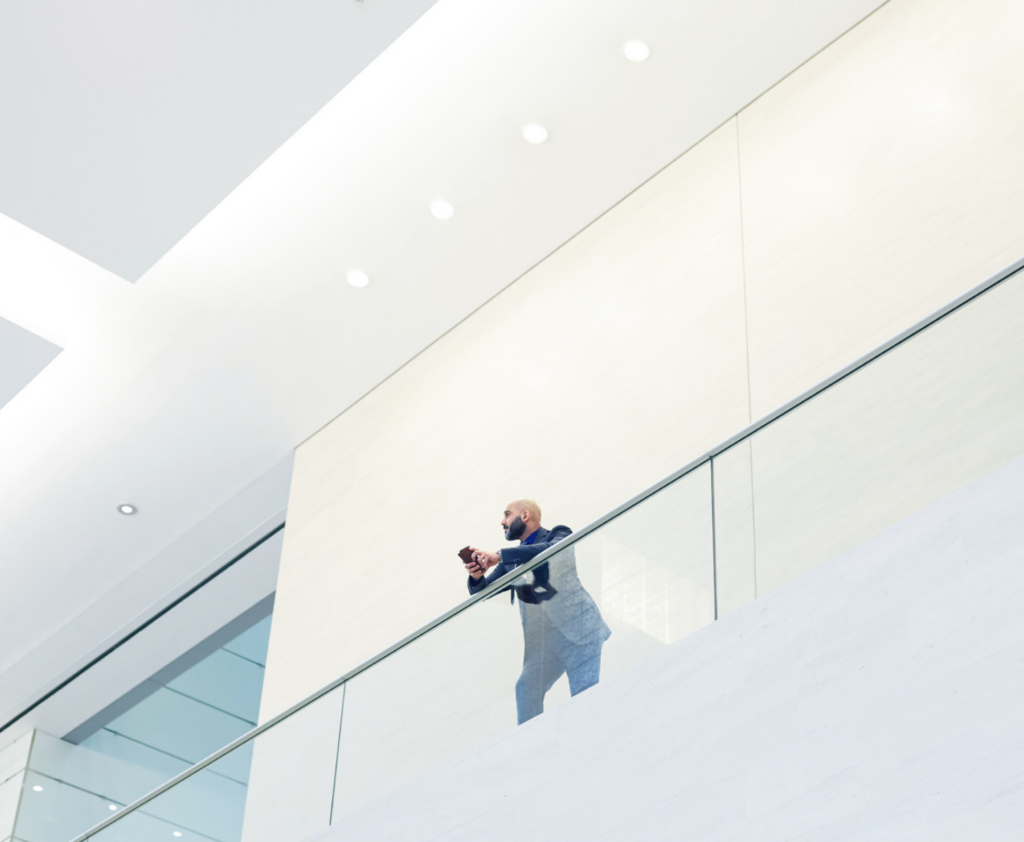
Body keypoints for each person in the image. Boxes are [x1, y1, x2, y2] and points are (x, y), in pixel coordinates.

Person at [464, 499, 611, 724]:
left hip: (580, 633)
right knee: (526, 687)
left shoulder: (557, 534)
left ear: (524, 516)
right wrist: (476, 576)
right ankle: (529, 744)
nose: (502, 522)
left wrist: (500, 555)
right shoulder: (510, 562)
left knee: (584, 700)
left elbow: (550, 551)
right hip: (544, 644)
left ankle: (591, 743)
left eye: (507, 515)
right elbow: (483, 592)